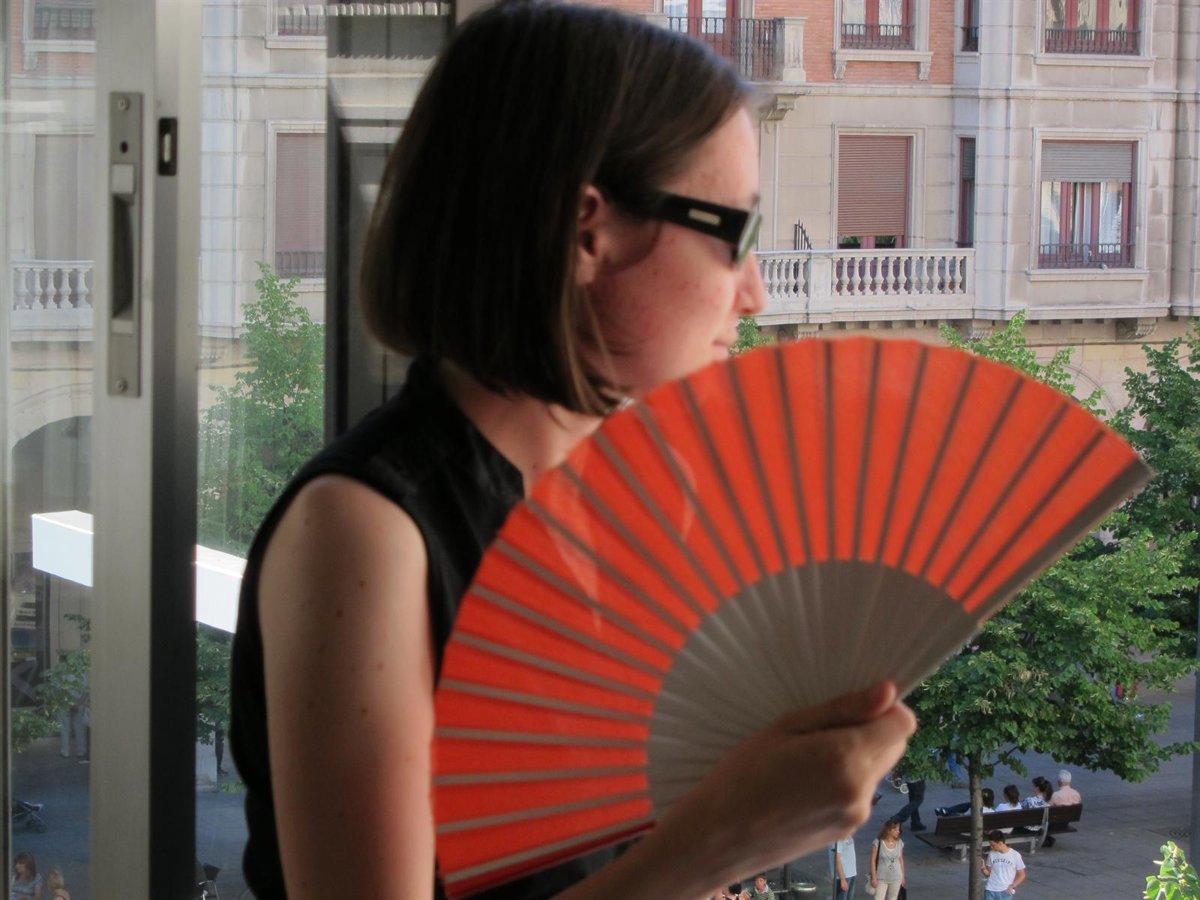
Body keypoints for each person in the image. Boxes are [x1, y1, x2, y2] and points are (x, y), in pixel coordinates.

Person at [226, 3, 916, 899]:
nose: (755, 292)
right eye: (735, 235)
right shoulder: (365, 534)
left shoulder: (634, 504)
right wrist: (719, 842)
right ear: (591, 231)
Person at [981, 831, 1026, 898]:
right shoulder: (991, 854)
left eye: (993, 845)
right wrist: (983, 868)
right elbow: (989, 874)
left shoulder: (1015, 855)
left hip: (1005, 891)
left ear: (1000, 843)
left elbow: (1022, 874)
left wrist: (1013, 885)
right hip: (990, 889)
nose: (991, 847)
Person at [869, 819, 905, 900]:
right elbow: (872, 860)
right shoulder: (877, 842)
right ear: (889, 831)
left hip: (896, 877)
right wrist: (874, 877)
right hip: (881, 878)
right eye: (896, 830)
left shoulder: (900, 842)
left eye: (899, 829)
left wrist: (903, 877)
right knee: (878, 898)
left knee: (893, 898)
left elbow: (901, 860)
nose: (898, 831)